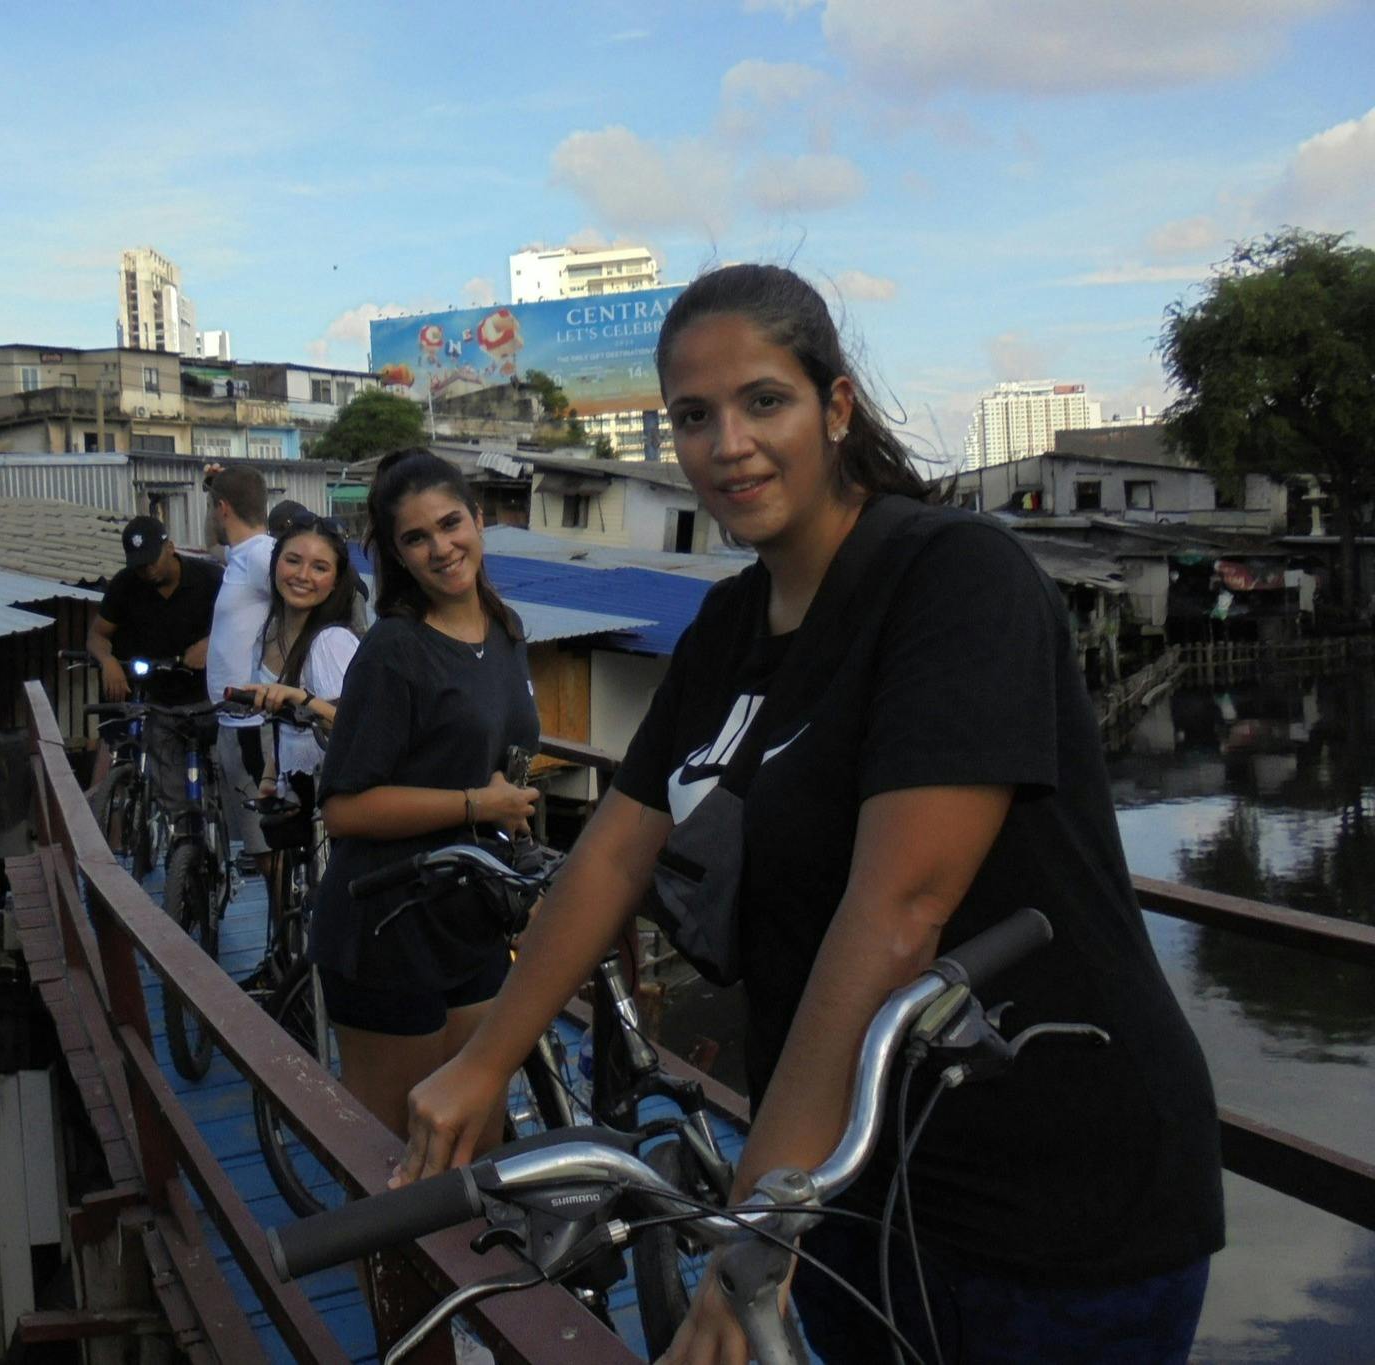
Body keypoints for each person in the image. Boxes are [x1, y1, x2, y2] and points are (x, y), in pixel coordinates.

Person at [395, 266, 1224, 1364]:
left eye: (762, 402)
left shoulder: (949, 579)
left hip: (1055, 1188)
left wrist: (753, 1222)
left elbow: (899, 908)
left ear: (833, 409)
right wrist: (486, 1059)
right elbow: (612, 849)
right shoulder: (729, 625)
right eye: (692, 417)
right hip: (851, 1193)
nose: (726, 443)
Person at [310, 449, 541, 1144]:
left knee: (475, 1143)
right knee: (397, 1167)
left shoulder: (504, 630)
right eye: (416, 537)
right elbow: (344, 808)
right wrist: (477, 805)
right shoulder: (393, 650)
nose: (442, 548)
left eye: (450, 524)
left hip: (468, 916)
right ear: (397, 556)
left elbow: (512, 769)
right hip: (386, 925)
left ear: (478, 519)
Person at [87, 515, 220, 823]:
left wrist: (210, 643)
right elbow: (98, 634)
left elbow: (247, 625)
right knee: (169, 789)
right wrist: (107, 662)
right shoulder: (125, 584)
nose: (146, 570)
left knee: (221, 777)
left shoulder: (210, 578)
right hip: (159, 700)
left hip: (209, 699)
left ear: (170, 548)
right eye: (138, 564)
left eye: (150, 561)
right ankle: (179, 841)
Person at [233, 513, 365, 807]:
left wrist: (300, 698)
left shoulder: (332, 642)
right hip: (293, 791)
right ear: (275, 563)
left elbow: (357, 726)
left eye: (320, 567)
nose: (303, 576)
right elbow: (285, 721)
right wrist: (269, 779)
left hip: (336, 799)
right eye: (292, 561)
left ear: (335, 582)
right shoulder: (268, 634)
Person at [205, 465, 276, 863]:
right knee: (256, 849)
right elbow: (213, 544)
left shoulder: (263, 555)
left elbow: (301, 603)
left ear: (224, 509)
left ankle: (291, 926)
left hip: (254, 726)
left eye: (214, 509)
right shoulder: (241, 555)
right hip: (235, 723)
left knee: (268, 849)